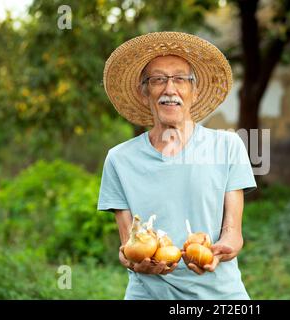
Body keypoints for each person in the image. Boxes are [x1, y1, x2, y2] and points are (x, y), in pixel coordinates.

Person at [98, 32, 257, 299]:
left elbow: (233, 232)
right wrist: (133, 259)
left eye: (180, 79)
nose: (169, 89)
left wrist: (222, 249)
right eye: (158, 79)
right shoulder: (119, 160)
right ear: (144, 92)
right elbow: (129, 244)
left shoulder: (228, 147)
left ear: (194, 91)